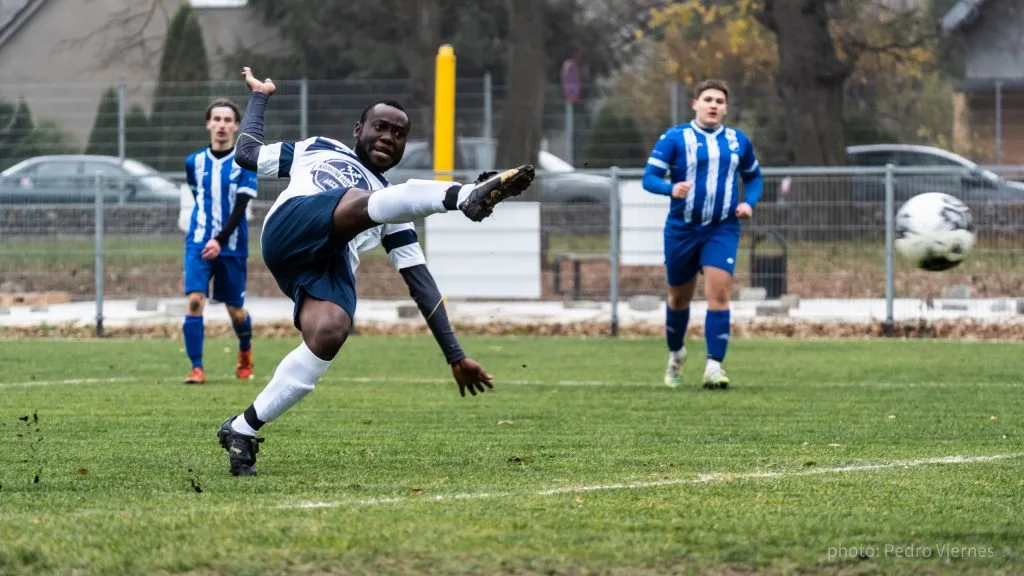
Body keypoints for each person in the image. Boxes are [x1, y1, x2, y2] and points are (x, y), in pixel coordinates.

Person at [215, 67, 536, 476]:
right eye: (380, 127)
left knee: (330, 331)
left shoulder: (394, 207)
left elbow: (421, 282)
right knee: (359, 200)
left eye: (399, 134)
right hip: (292, 228)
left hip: (329, 264)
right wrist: (260, 96)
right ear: (358, 129)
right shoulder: (318, 147)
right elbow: (247, 154)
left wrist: (455, 355)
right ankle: (464, 195)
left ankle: (242, 429)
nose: (388, 136)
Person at [641, 78, 764, 390]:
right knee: (678, 298)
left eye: (719, 101)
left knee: (719, 294)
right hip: (682, 229)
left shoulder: (738, 141)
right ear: (695, 104)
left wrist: (748, 203)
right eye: (708, 99)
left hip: (722, 228)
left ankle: (714, 366)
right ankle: (677, 353)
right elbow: (649, 178)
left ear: (725, 108)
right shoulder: (675, 138)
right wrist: (671, 188)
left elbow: (754, 178)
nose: (713, 105)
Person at [182, 98, 258, 385]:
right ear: (208, 124)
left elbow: (240, 207)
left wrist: (220, 239)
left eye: (228, 120)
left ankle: (245, 350)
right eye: (217, 119)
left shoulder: (245, 162)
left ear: (237, 126)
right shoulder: (194, 162)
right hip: (198, 242)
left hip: (232, 246)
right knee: (194, 301)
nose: (222, 125)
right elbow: (198, 196)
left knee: (235, 311)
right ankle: (197, 368)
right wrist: (207, 238)